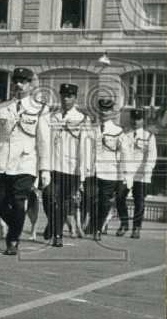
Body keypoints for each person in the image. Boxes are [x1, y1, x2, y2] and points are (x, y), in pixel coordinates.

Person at [0, 68, 51, 255]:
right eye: (16, 81)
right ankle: (16, 225)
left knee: (19, 201)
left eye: (24, 81)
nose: (19, 84)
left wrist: (45, 169)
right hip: (2, 161)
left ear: (31, 84)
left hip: (25, 163)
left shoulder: (41, 110)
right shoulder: (2, 107)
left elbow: (43, 142)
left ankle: (12, 239)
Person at [43, 83, 89, 247]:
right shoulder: (52, 117)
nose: (65, 99)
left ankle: (57, 235)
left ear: (75, 98)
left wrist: (82, 174)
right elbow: (46, 142)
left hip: (72, 169)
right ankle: (53, 223)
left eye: (69, 96)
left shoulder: (82, 118)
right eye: (63, 95)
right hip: (53, 166)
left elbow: (85, 147)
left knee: (63, 202)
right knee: (48, 196)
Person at [83, 97, 125, 239]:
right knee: (91, 199)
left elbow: (123, 154)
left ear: (112, 112)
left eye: (107, 110)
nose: (104, 113)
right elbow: (87, 150)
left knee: (104, 202)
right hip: (92, 170)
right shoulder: (92, 129)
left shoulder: (118, 131)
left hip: (110, 172)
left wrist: (123, 176)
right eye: (102, 109)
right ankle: (93, 223)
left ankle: (98, 228)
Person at [119, 108, 157, 238]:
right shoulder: (124, 135)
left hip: (141, 174)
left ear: (143, 120)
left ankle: (136, 228)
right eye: (134, 118)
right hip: (127, 173)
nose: (136, 121)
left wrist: (147, 171)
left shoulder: (149, 136)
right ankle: (124, 224)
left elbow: (152, 156)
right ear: (131, 119)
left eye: (139, 119)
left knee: (139, 201)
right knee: (120, 198)